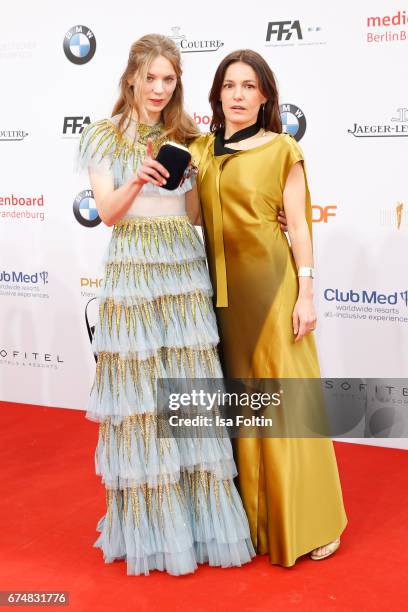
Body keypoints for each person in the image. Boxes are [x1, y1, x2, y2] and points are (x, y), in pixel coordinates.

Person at [76, 34, 255, 576]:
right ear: (131, 76)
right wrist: (138, 177)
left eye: (169, 80)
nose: (158, 89)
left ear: (178, 83)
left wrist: (194, 177)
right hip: (133, 270)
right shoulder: (103, 135)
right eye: (149, 78)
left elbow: (196, 217)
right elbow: (106, 212)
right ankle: (151, 527)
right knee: (141, 406)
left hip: (181, 269)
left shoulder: (189, 136)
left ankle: (200, 526)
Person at [187, 50, 348, 565]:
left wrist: (307, 292)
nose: (237, 95)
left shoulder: (283, 149)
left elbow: (298, 225)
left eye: (248, 86)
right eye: (229, 85)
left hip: (275, 291)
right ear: (217, 95)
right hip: (221, 298)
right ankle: (251, 524)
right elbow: (192, 216)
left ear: (264, 97)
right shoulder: (203, 152)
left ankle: (314, 521)